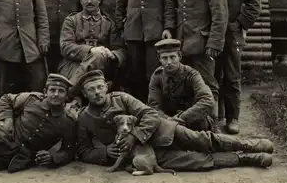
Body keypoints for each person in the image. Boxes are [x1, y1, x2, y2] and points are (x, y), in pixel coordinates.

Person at [76, 70, 274, 172]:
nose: (97, 93)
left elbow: (151, 114)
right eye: (91, 90)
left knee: (204, 140)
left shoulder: (121, 98)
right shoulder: (84, 117)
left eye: (100, 87)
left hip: (162, 131)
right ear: (84, 94)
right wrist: (104, 152)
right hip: (144, 154)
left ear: (105, 87)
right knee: (198, 162)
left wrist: (135, 135)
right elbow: (84, 150)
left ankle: (251, 145)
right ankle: (248, 159)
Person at [169, 0, 228, 131]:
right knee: (185, 84)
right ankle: (190, 124)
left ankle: (213, 124)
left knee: (207, 85)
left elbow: (220, 14)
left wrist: (215, 43)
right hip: (182, 43)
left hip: (203, 43)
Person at [210, 0, 262, 134]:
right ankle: (216, 116)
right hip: (213, 32)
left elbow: (254, 3)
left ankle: (233, 118)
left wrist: (239, 24)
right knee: (212, 74)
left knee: (231, 75)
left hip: (232, 32)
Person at [115, 0, 173, 103]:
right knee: (134, 72)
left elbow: (168, 3)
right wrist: (121, 28)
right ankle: (137, 108)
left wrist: (168, 27)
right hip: (133, 31)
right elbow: (120, 3)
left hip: (155, 31)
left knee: (154, 72)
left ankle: (155, 107)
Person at [58, 0, 126, 99]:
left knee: (100, 57)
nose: (89, 1)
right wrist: (91, 51)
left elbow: (121, 50)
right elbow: (65, 47)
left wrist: (113, 54)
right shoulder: (71, 21)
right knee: (97, 56)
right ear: (80, 0)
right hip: (74, 64)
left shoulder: (109, 24)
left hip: (102, 65)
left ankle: (69, 92)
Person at [148, 39, 214, 131]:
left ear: (180, 56)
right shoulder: (157, 76)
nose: (169, 62)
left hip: (190, 120)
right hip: (167, 121)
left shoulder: (192, 75)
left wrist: (180, 119)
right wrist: (168, 120)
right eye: (164, 58)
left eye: (172, 57)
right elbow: (154, 106)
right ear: (159, 58)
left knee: (201, 123)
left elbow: (207, 100)